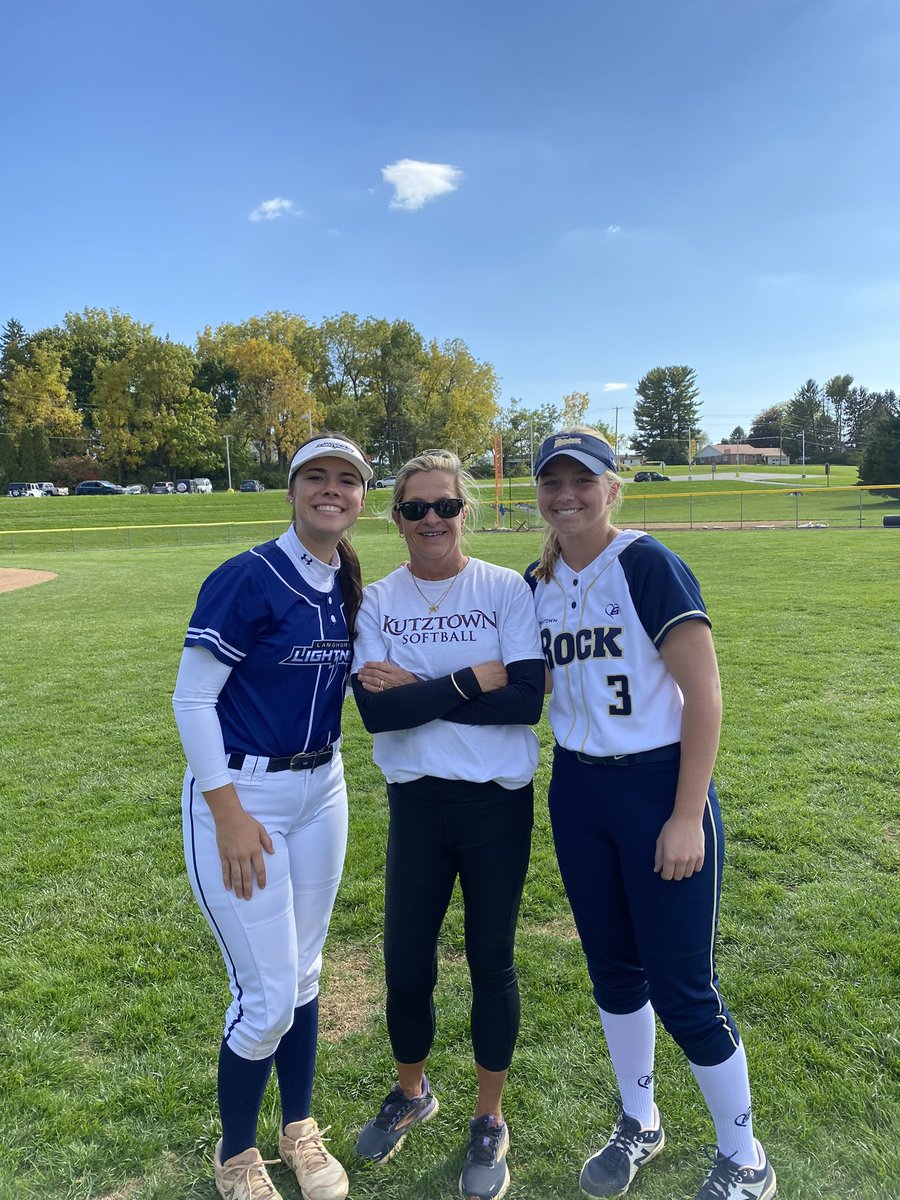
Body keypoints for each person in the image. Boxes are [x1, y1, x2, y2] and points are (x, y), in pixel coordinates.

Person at [526, 429, 776, 1200]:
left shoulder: (646, 563)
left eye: (583, 479)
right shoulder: (537, 581)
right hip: (579, 792)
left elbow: (704, 695)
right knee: (613, 971)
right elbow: (525, 690)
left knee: (683, 989)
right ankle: (641, 1119)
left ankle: (747, 1161)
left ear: (612, 487)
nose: (567, 493)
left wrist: (686, 814)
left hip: (658, 787)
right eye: (553, 481)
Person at [172, 434, 372, 1200]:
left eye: (346, 480)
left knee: (306, 974)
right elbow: (192, 699)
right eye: (315, 477)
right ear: (291, 493)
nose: (331, 490)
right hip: (244, 796)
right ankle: (234, 1156)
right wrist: (224, 811)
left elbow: (329, 678)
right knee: (263, 1001)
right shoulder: (249, 576)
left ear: (360, 498)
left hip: (323, 790)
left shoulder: (342, 579)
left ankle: (297, 1130)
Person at [350, 449, 545, 1200]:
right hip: (418, 803)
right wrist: (470, 678)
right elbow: (377, 711)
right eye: (414, 508)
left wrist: (422, 689)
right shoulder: (377, 600)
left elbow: (526, 700)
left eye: (445, 506)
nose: (432, 520)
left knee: (492, 961)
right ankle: (412, 1092)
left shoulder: (504, 589)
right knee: (406, 963)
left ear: (467, 511)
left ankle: (489, 1119)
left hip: (496, 803)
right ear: (394, 517)